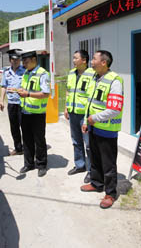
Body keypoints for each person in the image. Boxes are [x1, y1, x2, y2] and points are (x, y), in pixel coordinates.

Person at [80, 50, 124, 209]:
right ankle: (96, 183)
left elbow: (115, 109)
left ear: (104, 62)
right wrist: (87, 120)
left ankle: (110, 193)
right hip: (93, 127)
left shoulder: (115, 81)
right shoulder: (94, 77)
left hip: (107, 130)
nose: (91, 62)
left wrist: (94, 119)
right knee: (95, 158)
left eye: (94, 59)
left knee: (108, 163)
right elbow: (89, 102)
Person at [17, 51, 50, 177]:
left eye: (26, 61)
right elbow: (26, 89)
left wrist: (28, 94)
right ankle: (29, 163)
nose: (24, 64)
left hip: (37, 113)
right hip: (25, 111)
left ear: (34, 59)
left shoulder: (42, 74)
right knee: (27, 139)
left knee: (39, 140)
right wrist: (19, 91)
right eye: (23, 61)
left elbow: (46, 93)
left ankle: (41, 165)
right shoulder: (26, 73)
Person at [64, 50, 95, 183]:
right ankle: (80, 165)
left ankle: (91, 170)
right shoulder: (71, 73)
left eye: (76, 58)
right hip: (73, 113)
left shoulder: (92, 74)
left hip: (85, 115)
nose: (73, 60)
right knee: (76, 141)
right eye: (73, 58)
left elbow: (92, 96)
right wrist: (66, 107)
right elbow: (68, 90)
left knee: (88, 144)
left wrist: (89, 116)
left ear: (84, 60)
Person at [0, 49, 25, 156]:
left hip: (22, 103)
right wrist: (1, 100)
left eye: (18, 60)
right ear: (10, 60)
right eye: (14, 60)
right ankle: (18, 148)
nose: (16, 62)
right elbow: (3, 86)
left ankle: (28, 148)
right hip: (11, 103)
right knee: (14, 127)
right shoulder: (6, 73)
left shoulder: (25, 71)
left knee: (24, 127)